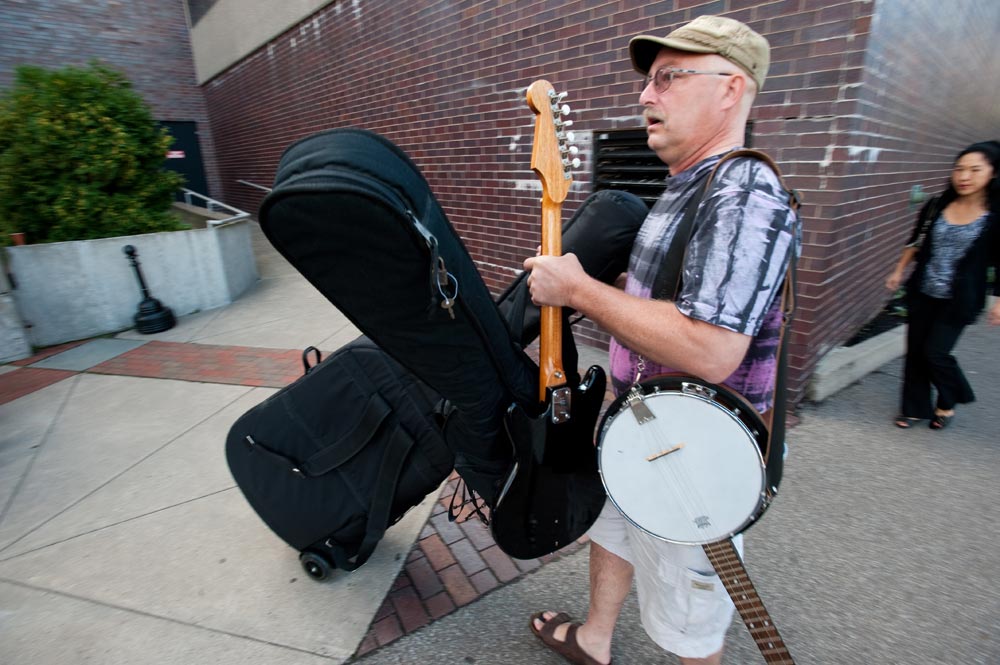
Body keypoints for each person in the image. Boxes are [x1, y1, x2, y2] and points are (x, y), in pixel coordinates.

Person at [523, 15, 800, 665]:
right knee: (615, 531)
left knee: (691, 621)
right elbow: (685, 301)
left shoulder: (743, 191)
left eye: (669, 78)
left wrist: (582, 292)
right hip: (641, 428)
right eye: (649, 81)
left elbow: (712, 349)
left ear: (730, 90)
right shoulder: (691, 184)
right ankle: (595, 637)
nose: (646, 96)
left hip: (692, 459)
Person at [885, 141, 1000, 430]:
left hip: (960, 298)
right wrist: (899, 270)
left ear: (993, 173)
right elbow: (916, 240)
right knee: (915, 351)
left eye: (975, 170)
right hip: (923, 290)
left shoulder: (995, 217)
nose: (964, 176)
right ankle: (913, 408)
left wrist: (999, 300)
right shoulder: (936, 205)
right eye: (960, 169)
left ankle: (950, 398)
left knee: (936, 353)